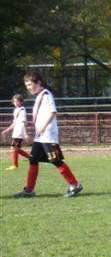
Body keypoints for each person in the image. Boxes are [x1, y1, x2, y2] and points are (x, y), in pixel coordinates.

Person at [14, 70, 83, 198]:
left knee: (55, 160)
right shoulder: (39, 96)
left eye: (30, 84)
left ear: (38, 82)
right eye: (27, 85)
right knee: (33, 160)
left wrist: (43, 127)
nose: (28, 88)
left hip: (47, 135)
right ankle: (29, 190)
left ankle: (75, 185)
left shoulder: (46, 95)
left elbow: (53, 112)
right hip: (40, 137)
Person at [2, 94, 30, 170]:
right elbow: (14, 122)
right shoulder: (16, 110)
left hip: (20, 132)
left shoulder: (22, 110)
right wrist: (8, 130)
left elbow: (23, 122)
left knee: (14, 148)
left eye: (18, 101)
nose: (16, 103)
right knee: (15, 148)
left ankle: (15, 165)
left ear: (21, 102)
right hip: (16, 131)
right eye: (14, 101)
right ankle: (31, 158)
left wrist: (25, 133)